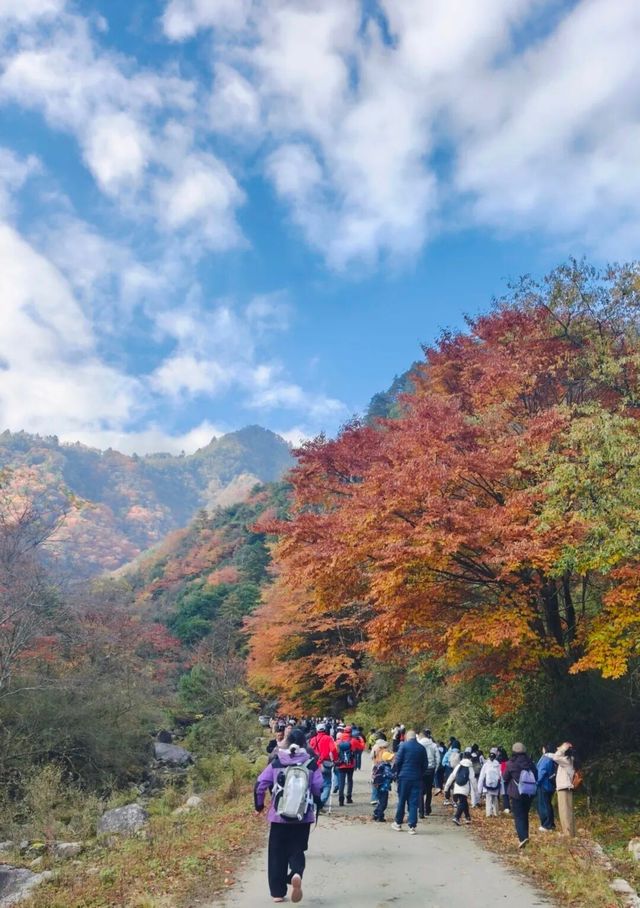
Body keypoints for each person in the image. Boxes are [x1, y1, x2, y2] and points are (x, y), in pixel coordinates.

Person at [254, 728, 323, 904]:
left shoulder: (278, 762)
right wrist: (316, 801)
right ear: (304, 744)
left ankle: (277, 893)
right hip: (302, 817)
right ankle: (297, 873)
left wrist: (259, 805)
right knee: (297, 849)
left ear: (286, 741)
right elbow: (318, 787)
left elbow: (260, 784)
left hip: (278, 816)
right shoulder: (311, 764)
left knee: (277, 853)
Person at [391, 729, 427, 834]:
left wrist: (397, 773)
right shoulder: (421, 748)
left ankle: (398, 823)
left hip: (404, 778)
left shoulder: (403, 746)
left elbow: (397, 762)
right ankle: (412, 826)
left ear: (407, 737)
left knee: (402, 800)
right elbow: (425, 764)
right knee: (413, 802)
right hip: (417, 778)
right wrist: (420, 773)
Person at [503, 742, 538, 848]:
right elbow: (536, 775)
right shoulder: (530, 763)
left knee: (518, 816)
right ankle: (526, 836)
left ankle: (522, 838)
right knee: (525, 814)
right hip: (529, 793)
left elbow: (505, 778)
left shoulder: (510, 763)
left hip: (516, 793)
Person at [549, 742, 577, 837]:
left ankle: (567, 834)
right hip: (568, 787)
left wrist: (562, 748)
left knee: (564, 811)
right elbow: (553, 756)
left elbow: (555, 757)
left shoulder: (566, 760)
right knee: (569, 811)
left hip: (564, 788)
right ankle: (572, 833)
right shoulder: (571, 760)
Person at [444, 751, 478, 826]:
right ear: (470, 758)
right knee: (462, 802)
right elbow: (473, 780)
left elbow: (452, 776)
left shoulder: (459, 765)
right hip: (464, 788)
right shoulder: (470, 767)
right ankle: (457, 817)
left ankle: (467, 817)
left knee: (464, 802)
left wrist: (446, 787)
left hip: (457, 787)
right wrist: (476, 791)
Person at [308, 723, 338, 809]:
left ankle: (315, 801)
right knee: (327, 784)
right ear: (325, 730)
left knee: (315, 783)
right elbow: (333, 749)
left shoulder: (313, 739)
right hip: (326, 763)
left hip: (315, 764)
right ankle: (321, 802)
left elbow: (310, 751)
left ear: (317, 730)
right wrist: (335, 759)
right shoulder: (328, 738)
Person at [417, 728, 440, 818]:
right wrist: (436, 768)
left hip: (421, 769)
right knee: (429, 790)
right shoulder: (433, 745)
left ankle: (421, 811)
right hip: (431, 769)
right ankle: (427, 809)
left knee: (420, 790)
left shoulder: (419, 744)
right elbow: (438, 758)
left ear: (422, 735)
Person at [335, 724, 360, 806]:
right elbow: (361, 747)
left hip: (341, 764)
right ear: (351, 732)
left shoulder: (338, 741)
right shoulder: (353, 740)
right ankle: (349, 797)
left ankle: (341, 800)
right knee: (350, 780)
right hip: (350, 764)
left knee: (341, 782)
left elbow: (334, 750)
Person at [371, 739, 395, 822]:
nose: (392, 759)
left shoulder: (379, 765)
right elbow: (390, 775)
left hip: (378, 784)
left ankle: (376, 814)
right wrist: (395, 775)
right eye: (390, 758)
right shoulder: (386, 766)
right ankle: (380, 816)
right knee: (383, 803)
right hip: (384, 786)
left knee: (380, 801)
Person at [536, 744, 557, 832]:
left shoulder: (545, 759)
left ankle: (546, 825)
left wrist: (537, 783)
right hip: (551, 785)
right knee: (548, 804)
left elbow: (541, 772)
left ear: (545, 749)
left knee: (543, 805)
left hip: (544, 785)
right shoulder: (553, 759)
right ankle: (551, 824)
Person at [477, 749, 503, 817]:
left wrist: (479, 789)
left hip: (487, 785)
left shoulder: (486, 764)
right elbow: (500, 776)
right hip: (496, 785)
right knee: (495, 799)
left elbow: (482, 776)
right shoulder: (498, 764)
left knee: (488, 799)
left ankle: (488, 814)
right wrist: (502, 789)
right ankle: (496, 813)